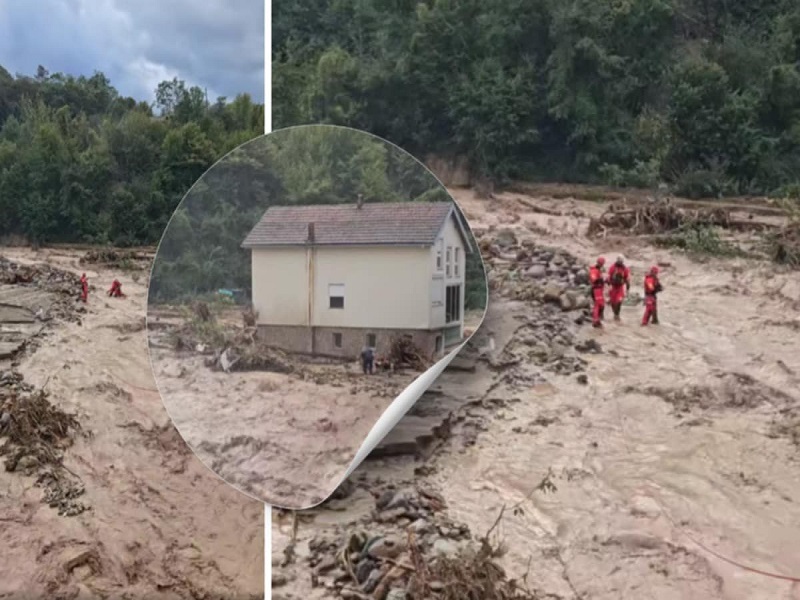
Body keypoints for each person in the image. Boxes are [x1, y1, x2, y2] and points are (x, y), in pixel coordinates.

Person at [607, 256, 631, 321]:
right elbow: (608, 276)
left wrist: (627, 289)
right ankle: (615, 314)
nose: (620, 262)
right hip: (613, 287)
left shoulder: (625, 269)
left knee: (619, 301)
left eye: (621, 261)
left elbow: (627, 279)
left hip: (620, 288)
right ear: (617, 260)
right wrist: (609, 285)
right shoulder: (612, 267)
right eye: (619, 260)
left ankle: (617, 315)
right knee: (613, 302)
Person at [588, 257, 607, 328]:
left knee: (601, 305)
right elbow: (594, 280)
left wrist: (604, 280)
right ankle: (595, 321)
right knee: (597, 305)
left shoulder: (598, 270)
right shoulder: (594, 270)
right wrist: (601, 279)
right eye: (601, 264)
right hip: (596, 290)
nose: (602, 265)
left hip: (599, 290)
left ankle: (598, 320)